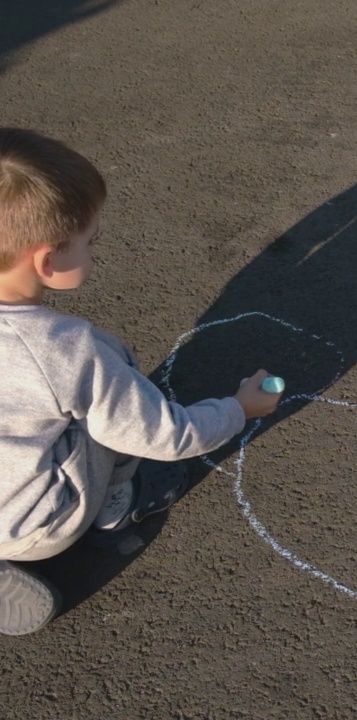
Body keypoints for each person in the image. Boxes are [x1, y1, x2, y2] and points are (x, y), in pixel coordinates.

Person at [0, 128, 282, 636]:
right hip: (38, 524)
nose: (95, 252)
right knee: (108, 419)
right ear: (46, 261)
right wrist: (240, 409)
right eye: (91, 242)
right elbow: (164, 435)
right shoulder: (62, 351)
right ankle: (116, 508)